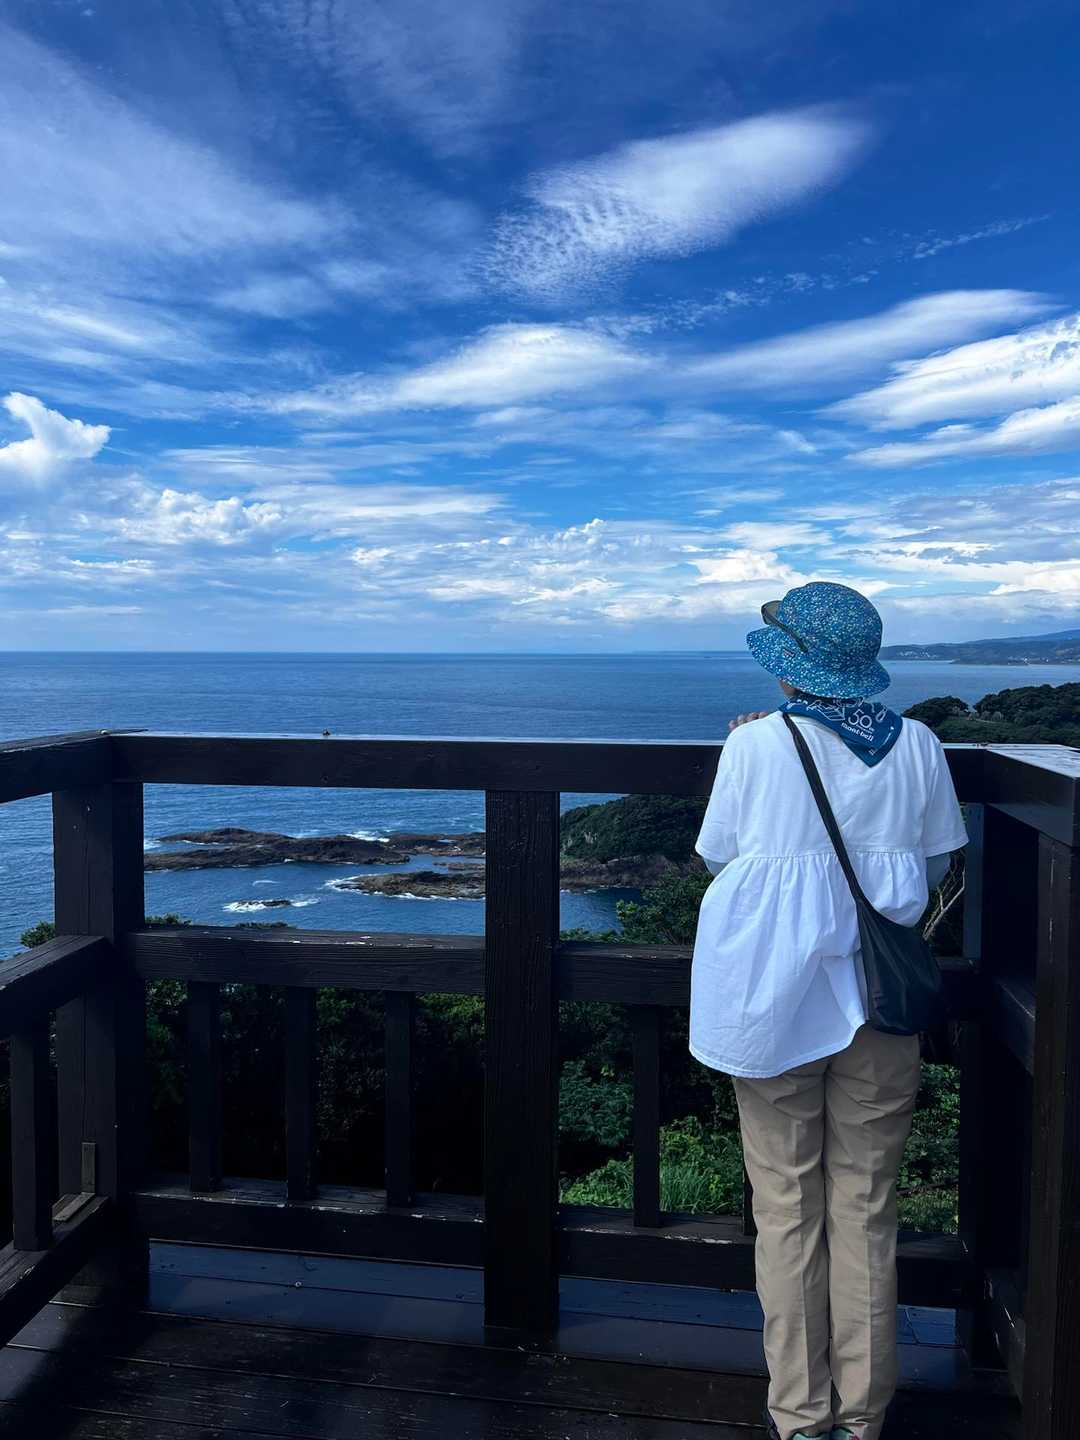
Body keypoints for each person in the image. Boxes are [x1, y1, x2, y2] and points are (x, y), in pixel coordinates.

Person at [690, 581, 967, 1440]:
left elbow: (721, 857)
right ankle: (863, 1414)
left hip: (771, 1004)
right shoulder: (918, 743)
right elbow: (937, 863)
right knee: (866, 1203)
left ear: (791, 668)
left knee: (784, 1205)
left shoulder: (754, 745)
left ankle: (802, 1415)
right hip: (882, 1002)